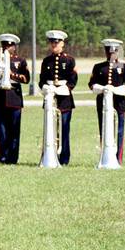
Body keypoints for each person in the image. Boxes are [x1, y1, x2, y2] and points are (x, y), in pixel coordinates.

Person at [89, 37, 125, 164]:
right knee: (103, 129)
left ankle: (118, 158)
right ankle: (104, 156)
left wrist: (115, 89)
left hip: (118, 104)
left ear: (118, 51)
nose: (111, 54)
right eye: (109, 51)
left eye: (114, 51)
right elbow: (92, 84)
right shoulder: (98, 67)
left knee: (119, 132)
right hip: (102, 104)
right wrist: (102, 88)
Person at [0, 33, 29, 164]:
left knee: (14, 130)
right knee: (1, 130)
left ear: (14, 47)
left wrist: (11, 74)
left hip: (14, 98)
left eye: (9, 45)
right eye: (4, 45)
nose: (6, 48)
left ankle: (13, 158)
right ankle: (3, 157)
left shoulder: (20, 61)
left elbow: (26, 79)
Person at [38, 29, 78, 165]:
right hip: (50, 98)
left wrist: (65, 88)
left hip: (64, 99)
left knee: (64, 129)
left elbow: (73, 79)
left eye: (57, 42)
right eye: (52, 43)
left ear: (62, 44)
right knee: (49, 128)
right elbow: (41, 79)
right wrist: (45, 87)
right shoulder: (46, 61)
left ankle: (64, 158)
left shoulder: (69, 60)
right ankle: (49, 155)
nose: (54, 45)